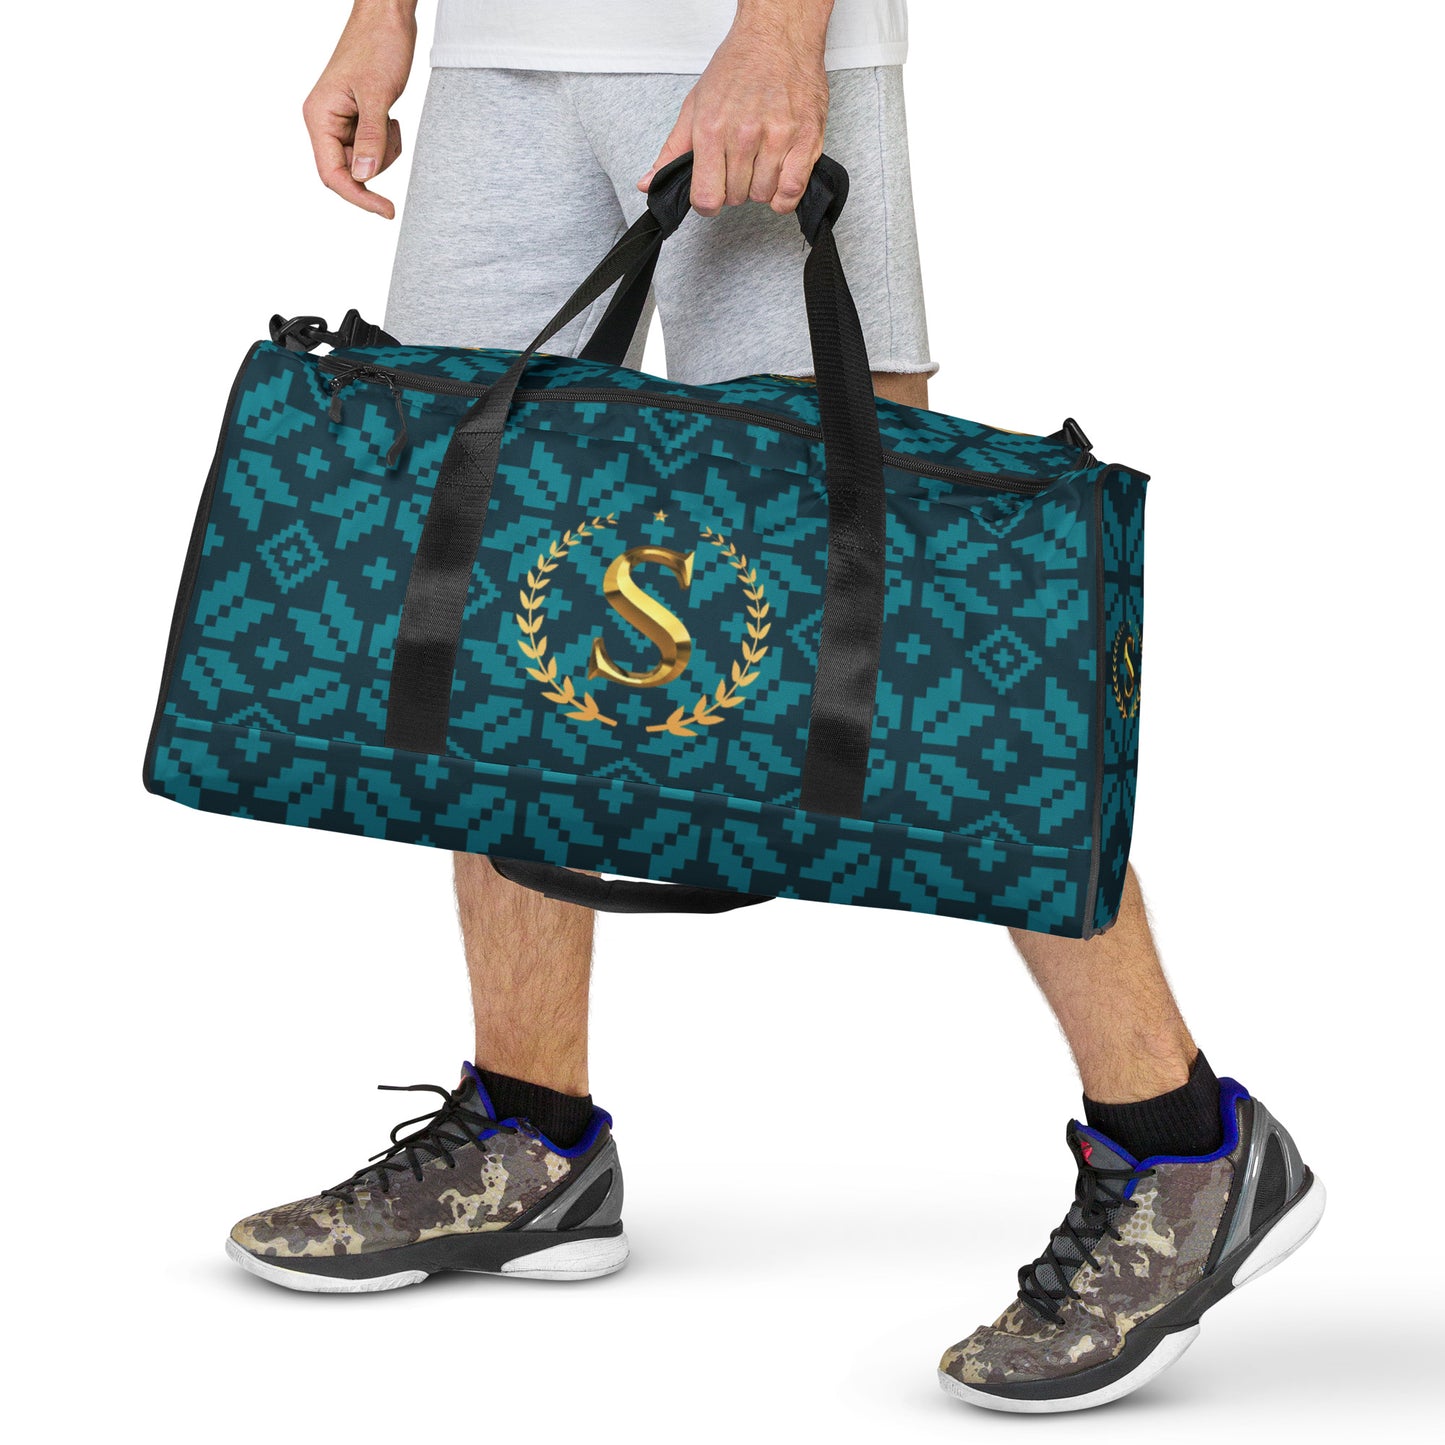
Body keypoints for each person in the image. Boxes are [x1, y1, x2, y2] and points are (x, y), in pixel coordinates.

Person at [225, 0, 1324, 1413]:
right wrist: (384, 15)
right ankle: (529, 1135)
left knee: (923, 616)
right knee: (499, 589)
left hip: (737, 47)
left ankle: (1182, 1141)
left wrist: (780, 33)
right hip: (500, 55)